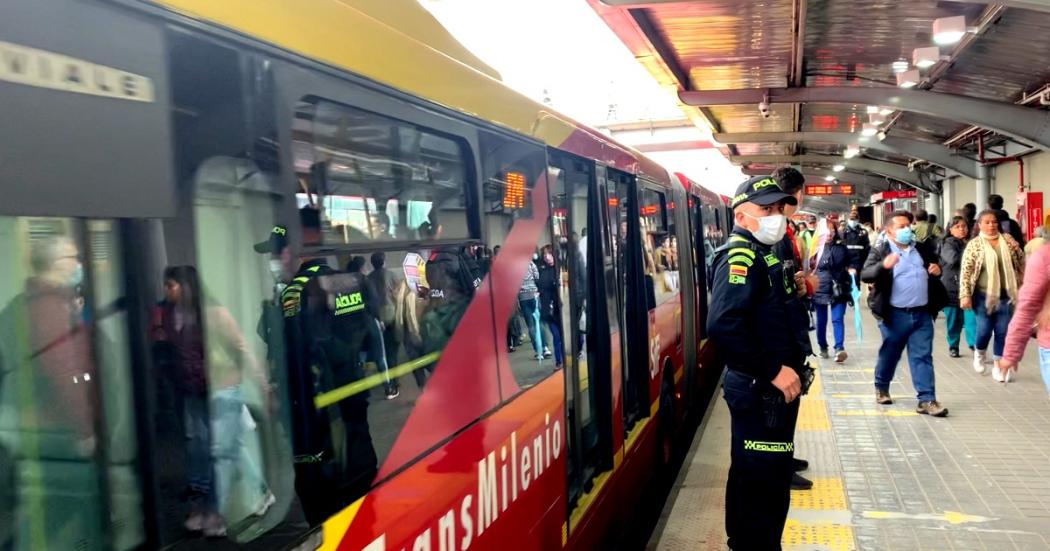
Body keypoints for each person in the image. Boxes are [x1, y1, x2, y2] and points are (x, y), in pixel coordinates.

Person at [708, 175, 810, 549]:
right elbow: (723, 325)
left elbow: (764, 312)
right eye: (765, 209)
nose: (776, 216)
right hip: (761, 389)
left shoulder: (766, 253)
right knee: (761, 482)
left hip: (771, 389)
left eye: (778, 208)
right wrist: (772, 370)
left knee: (768, 478)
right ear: (741, 217)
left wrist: (794, 290)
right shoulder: (740, 256)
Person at [861, 210, 949, 416]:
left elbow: (936, 267)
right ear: (889, 231)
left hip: (921, 314)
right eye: (901, 227)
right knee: (891, 354)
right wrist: (883, 266)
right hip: (894, 315)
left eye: (908, 225)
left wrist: (938, 270)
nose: (907, 229)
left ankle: (927, 399)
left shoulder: (921, 249)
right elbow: (866, 274)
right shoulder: (881, 251)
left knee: (922, 356)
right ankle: (881, 386)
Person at [772, 166, 817, 491]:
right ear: (797, 193)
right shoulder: (776, 237)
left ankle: (785, 458)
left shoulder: (785, 232)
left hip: (791, 330)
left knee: (790, 404)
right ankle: (780, 467)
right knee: (781, 405)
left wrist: (799, 287)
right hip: (782, 337)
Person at [959, 209, 1025, 381]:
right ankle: (980, 352)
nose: (991, 225)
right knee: (984, 330)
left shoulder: (1007, 240)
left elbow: (1021, 262)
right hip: (982, 296)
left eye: (994, 222)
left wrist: (1016, 247)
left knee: (1003, 331)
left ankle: (998, 365)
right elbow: (966, 272)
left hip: (1006, 295)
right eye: (987, 222)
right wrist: (964, 295)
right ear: (980, 225)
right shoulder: (975, 244)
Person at [998, 239, 1050, 398]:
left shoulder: (1044, 256)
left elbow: (1027, 307)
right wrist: (1011, 352)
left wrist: (1011, 354)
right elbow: (1027, 307)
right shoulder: (1044, 257)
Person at [813, 216, 852, 363]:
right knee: (821, 320)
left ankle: (839, 348)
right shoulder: (814, 248)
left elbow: (850, 263)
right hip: (820, 288)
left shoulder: (842, 247)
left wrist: (852, 271)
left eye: (831, 230)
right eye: (825, 231)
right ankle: (823, 347)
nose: (829, 234)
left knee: (837, 319)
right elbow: (808, 268)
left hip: (839, 288)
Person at [368, 252, 404, 397]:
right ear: (384, 261)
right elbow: (399, 293)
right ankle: (394, 383)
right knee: (392, 351)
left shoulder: (368, 278)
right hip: (392, 315)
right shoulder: (391, 275)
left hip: (377, 318)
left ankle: (388, 383)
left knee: (381, 353)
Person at [938, 216, 971, 358]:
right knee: (953, 320)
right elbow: (953, 259)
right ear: (950, 230)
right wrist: (970, 252)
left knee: (970, 319)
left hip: (968, 288)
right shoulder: (948, 243)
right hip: (951, 288)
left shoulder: (971, 242)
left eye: (964, 226)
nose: (962, 229)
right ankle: (953, 346)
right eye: (957, 227)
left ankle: (974, 345)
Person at [536, 245, 564, 368]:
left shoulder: (561, 269)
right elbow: (541, 287)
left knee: (564, 336)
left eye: (549, 254)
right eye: (544, 255)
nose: (547, 257)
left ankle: (565, 358)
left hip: (562, 307)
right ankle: (559, 361)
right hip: (549, 309)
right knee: (556, 336)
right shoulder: (543, 271)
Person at [517, 255, 545, 360]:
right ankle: (545, 347)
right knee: (539, 322)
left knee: (530, 325)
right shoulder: (531, 264)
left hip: (523, 298)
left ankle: (538, 352)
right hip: (534, 295)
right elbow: (537, 277)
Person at [843, 208, 871, 288]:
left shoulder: (863, 232)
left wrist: (867, 264)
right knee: (846, 285)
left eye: (854, 219)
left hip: (859, 264)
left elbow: (867, 249)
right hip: (847, 264)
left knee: (857, 285)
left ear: (858, 220)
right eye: (851, 219)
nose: (852, 221)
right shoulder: (843, 232)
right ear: (848, 220)